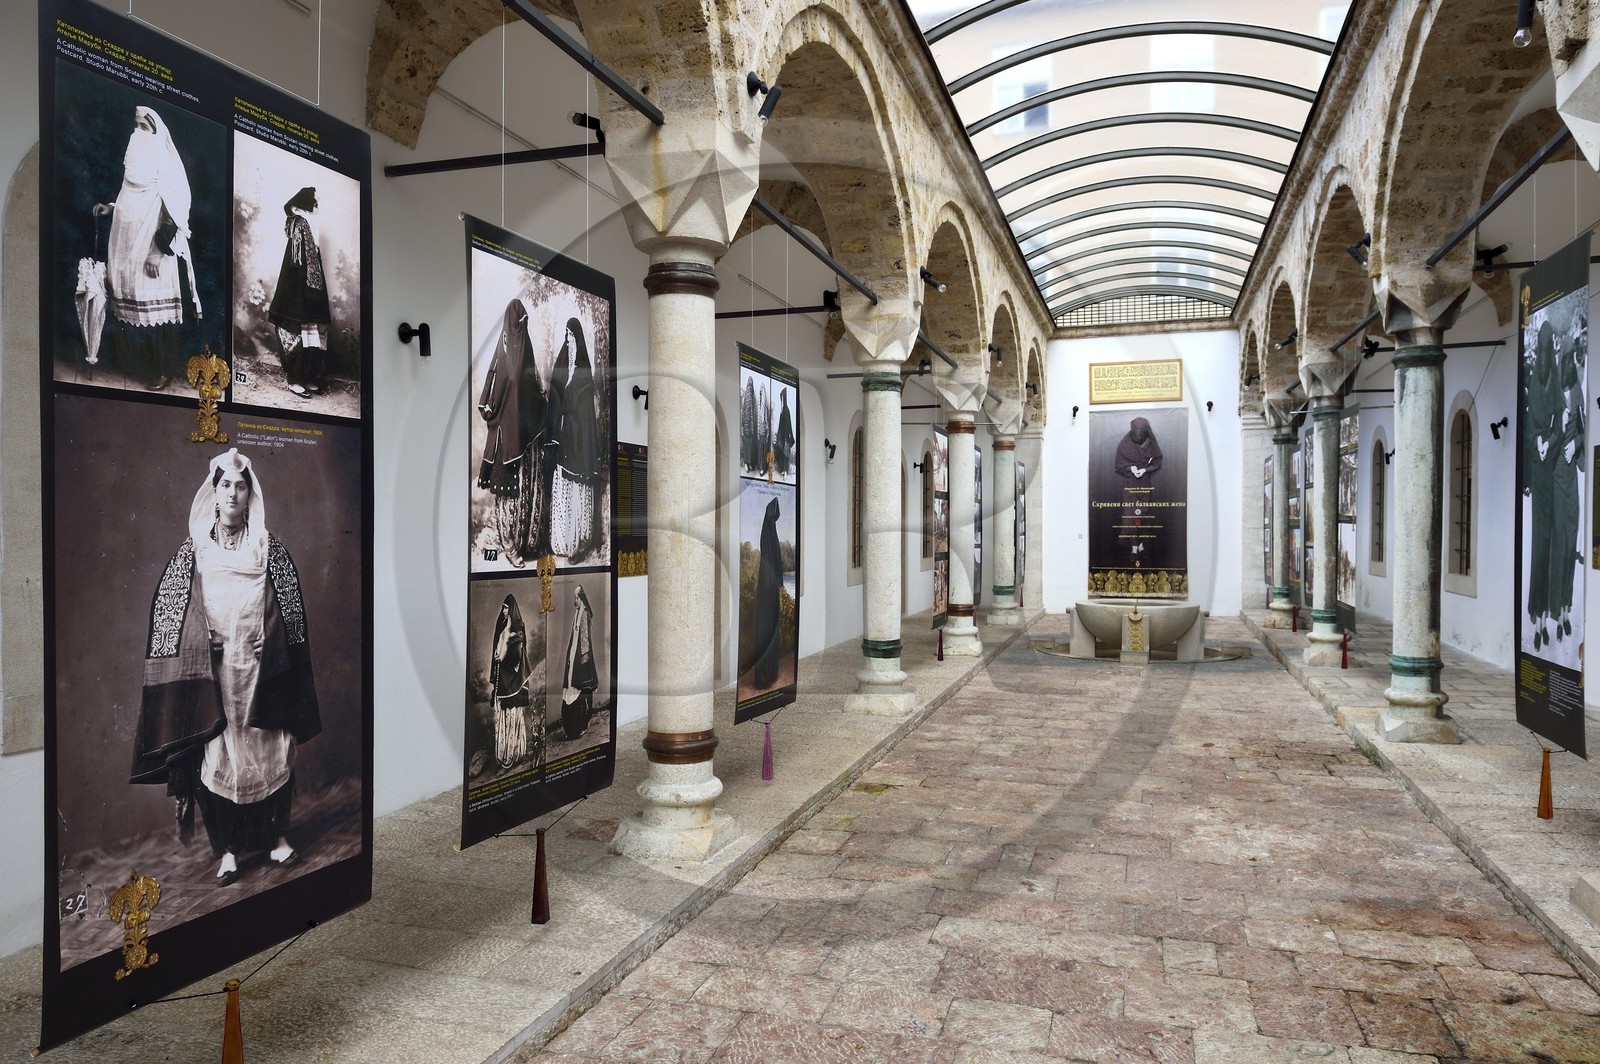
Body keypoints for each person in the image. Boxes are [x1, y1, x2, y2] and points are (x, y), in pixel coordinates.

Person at [130, 448, 320, 887]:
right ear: (213, 494)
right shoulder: (194, 553)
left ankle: (277, 838)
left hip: (259, 670)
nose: (233, 494)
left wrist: (271, 638)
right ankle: (229, 851)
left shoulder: (268, 549)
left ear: (250, 494)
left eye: (240, 486)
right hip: (215, 674)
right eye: (225, 486)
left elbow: (289, 613)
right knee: (218, 754)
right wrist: (200, 640)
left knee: (270, 748)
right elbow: (173, 616)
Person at [93, 105, 201, 391]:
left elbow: (174, 211)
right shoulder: (135, 160)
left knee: (157, 307)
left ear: (156, 131)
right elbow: (129, 193)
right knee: (130, 299)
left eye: (144, 127)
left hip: (152, 243)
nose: (138, 132)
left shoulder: (163, 161)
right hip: (127, 239)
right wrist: (111, 208)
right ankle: (138, 365)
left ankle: (164, 370)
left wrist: (157, 251)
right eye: (136, 125)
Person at [478, 299, 535, 566]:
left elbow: (529, 386)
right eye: (519, 323)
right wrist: (492, 411)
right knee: (505, 493)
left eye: (524, 323)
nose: (521, 328)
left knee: (516, 494)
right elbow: (495, 383)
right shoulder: (502, 350)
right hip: (504, 438)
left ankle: (515, 542)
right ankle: (508, 546)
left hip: (519, 436)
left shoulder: (524, 349)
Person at [267, 187, 331, 397]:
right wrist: (305, 291)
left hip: (310, 284)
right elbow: (298, 260)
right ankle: (295, 380)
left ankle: (308, 378)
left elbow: (313, 258)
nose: (317, 207)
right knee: (299, 330)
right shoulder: (300, 223)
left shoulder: (308, 223)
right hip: (298, 285)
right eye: (315, 203)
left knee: (312, 332)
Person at [549, 318, 604, 561]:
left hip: (579, 440)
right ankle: (563, 541)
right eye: (566, 336)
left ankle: (578, 544)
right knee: (565, 486)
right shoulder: (564, 370)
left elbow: (586, 416)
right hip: (565, 438)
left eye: (572, 336)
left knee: (577, 489)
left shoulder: (583, 375)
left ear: (578, 340)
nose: (569, 341)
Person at [1547, 330, 1585, 646]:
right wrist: (1560, 440)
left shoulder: (1576, 392)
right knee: (1559, 540)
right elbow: (1543, 435)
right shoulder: (1552, 394)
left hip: (1571, 477)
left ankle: (1566, 609)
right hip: (1555, 474)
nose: (1569, 363)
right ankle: (1556, 611)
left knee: (1571, 538)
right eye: (1566, 358)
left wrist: (1577, 444)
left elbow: (1585, 430)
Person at [1525, 320, 1560, 650]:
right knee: (1540, 542)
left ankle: (1549, 613)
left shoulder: (1554, 384)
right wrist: (1538, 440)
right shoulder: (1535, 384)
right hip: (1539, 473)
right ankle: (1536, 614)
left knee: (1552, 541)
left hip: (1552, 473)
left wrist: (1550, 440)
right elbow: (1529, 429)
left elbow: (1559, 426)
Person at [1113, 417, 1163, 567]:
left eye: (1141, 436)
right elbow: (1118, 466)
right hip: (1130, 484)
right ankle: (1135, 547)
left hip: (1144, 483)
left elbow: (1157, 462)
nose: (1138, 438)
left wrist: (1144, 470)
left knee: (1142, 515)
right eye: (1136, 435)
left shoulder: (1151, 442)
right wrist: (1131, 468)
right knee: (1131, 515)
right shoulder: (1125, 443)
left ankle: (1140, 545)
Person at [489, 595, 530, 769]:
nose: (504, 611)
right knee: (501, 715)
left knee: (512, 714)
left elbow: (517, 657)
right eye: (503, 607)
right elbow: (498, 647)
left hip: (512, 679)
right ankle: (503, 753)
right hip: (502, 677)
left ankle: (513, 753)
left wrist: (502, 659)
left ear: (511, 609)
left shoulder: (518, 628)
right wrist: (497, 656)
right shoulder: (503, 626)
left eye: (506, 607)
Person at [752, 495, 785, 688]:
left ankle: (772, 670)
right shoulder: (767, 536)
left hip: (771, 590)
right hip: (766, 590)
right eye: (772, 518)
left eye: (775, 519)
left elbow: (776, 562)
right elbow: (768, 563)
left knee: (772, 626)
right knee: (765, 627)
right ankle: (764, 675)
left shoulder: (772, 533)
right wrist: (771, 583)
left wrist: (777, 583)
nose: (773, 521)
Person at [560, 584, 598, 741]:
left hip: (582, 657)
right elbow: (573, 638)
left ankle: (580, 726)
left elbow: (585, 641)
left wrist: (582, 662)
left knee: (580, 687)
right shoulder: (577, 613)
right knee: (570, 688)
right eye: (574, 597)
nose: (574, 600)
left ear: (581, 598)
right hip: (573, 654)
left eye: (576, 597)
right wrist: (570, 657)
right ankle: (571, 729)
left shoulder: (585, 614)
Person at [772, 389, 795, 477]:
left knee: (785, 455)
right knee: (779, 453)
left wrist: (787, 438)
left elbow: (788, 426)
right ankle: (782, 469)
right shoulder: (782, 410)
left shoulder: (786, 410)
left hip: (785, 437)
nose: (781, 401)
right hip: (781, 436)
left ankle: (785, 471)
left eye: (782, 398)